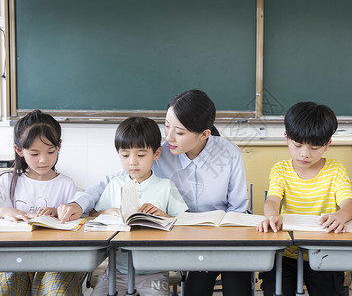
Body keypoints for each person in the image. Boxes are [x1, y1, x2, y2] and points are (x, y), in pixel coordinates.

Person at [64, 89, 251, 296]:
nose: (169, 137)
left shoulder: (229, 153)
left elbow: (238, 209)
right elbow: (112, 181)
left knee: (237, 284)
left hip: (223, 236)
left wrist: (221, 246)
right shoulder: (159, 154)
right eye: (167, 126)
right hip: (185, 238)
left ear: (204, 134)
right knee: (196, 288)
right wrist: (78, 204)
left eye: (179, 132)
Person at [257, 101, 352, 296]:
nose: (304, 154)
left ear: (327, 144)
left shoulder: (335, 170)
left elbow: (349, 204)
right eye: (297, 145)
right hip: (285, 254)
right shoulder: (281, 169)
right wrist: (272, 215)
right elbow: (272, 200)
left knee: (329, 289)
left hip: (323, 252)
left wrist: (340, 216)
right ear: (287, 138)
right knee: (273, 288)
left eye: (314, 147)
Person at [90, 116, 188, 296]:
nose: (132, 162)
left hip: (155, 272)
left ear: (156, 154)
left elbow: (184, 222)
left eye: (141, 155)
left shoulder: (166, 186)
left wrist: (164, 216)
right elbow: (94, 216)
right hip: (116, 270)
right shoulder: (114, 184)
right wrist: (107, 212)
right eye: (125, 155)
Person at [0, 110, 83, 295]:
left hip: (56, 259)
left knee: (57, 291)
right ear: (19, 150)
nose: (44, 160)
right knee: (6, 287)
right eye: (34, 153)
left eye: (50, 151)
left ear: (59, 146)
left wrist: (59, 212)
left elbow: (76, 223)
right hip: (13, 258)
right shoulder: (7, 181)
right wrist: (6, 211)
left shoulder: (65, 184)